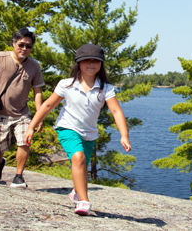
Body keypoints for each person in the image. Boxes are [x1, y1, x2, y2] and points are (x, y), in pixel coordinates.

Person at [25, 44, 132, 216]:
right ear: (78, 63)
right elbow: (48, 105)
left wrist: (124, 135)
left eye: (95, 61)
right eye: (86, 60)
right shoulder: (66, 84)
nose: (91, 64)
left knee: (82, 164)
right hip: (67, 127)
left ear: (101, 64)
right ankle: (84, 201)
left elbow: (116, 111)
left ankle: (76, 192)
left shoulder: (106, 88)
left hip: (89, 134)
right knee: (78, 157)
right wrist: (31, 126)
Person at [0, 28, 45, 188]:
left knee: (24, 142)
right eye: (21, 45)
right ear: (13, 43)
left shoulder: (34, 66)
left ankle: (18, 176)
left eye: (28, 46)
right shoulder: (0, 58)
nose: (24, 49)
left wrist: (39, 116)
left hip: (22, 113)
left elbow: (37, 92)